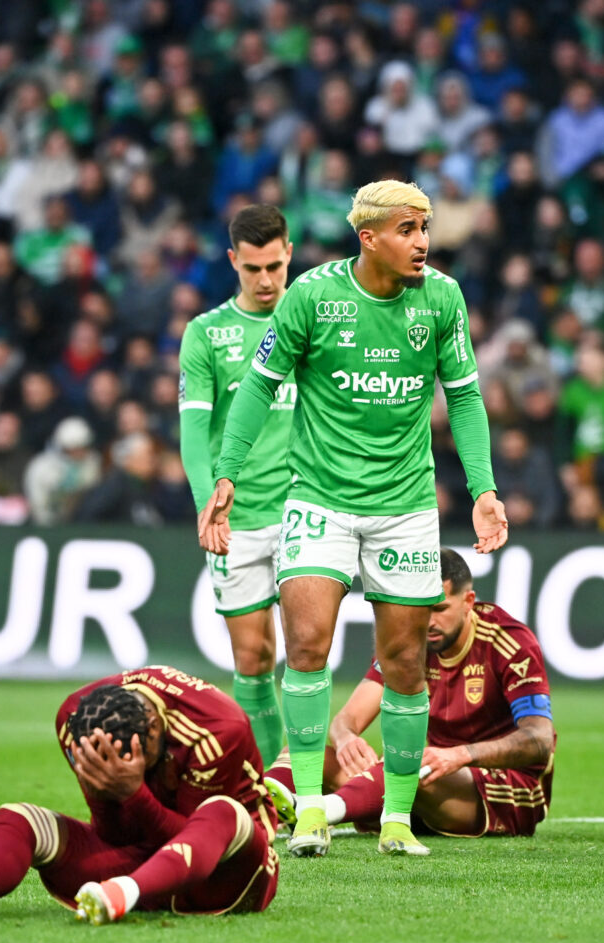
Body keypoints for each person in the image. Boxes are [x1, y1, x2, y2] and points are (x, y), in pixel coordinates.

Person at [198, 180, 508, 858]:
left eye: (425, 227)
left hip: (404, 509)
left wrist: (483, 488)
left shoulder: (443, 300)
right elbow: (258, 387)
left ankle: (396, 819)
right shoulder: (312, 297)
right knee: (307, 647)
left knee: (402, 661)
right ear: (369, 237)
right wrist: (227, 472)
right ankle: (310, 809)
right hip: (318, 501)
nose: (422, 241)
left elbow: (464, 399)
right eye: (407, 229)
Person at [0, 665, 279, 924]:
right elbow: (116, 836)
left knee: (222, 812)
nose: (124, 766)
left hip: (227, 878)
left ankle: (121, 896)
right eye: (104, 761)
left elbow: (188, 845)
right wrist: (110, 792)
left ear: (153, 729)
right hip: (138, 863)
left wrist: (133, 793)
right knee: (19, 817)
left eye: (135, 758)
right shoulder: (75, 720)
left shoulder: (218, 730)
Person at [266, 549, 554, 838]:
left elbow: (539, 740)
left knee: (410, 762)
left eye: (440, 609)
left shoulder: (508, 643)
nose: (428, 622)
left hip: (506, 790)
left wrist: (462, 755)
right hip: (428, 780)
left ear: (468, 602)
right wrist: (345, 740)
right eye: (422, 608)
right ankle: (257, 808)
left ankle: (319, 813)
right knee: (304, 755)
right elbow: (346, 720)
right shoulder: (410, 640)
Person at [179, 205, 296, 769]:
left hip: (306, 510)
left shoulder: (312, 322)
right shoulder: (205, 334)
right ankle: (269, 784)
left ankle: (300, 784)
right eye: (253, 269)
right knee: (253, 659)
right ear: (234, 261)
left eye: (275, 265)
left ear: (289, 253)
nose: (267, 279)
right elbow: (193, 434)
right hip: (239, 517)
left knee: (304, 655)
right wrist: (210, 507)